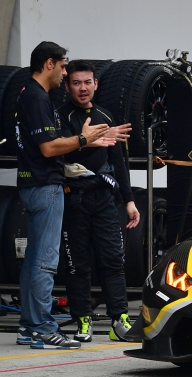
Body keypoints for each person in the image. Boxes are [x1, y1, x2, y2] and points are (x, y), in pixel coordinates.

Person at [14, 42, 113, 350]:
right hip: (45, 186)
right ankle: (43, 328)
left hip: (31, 185)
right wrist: (83, 138)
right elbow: (48, 148)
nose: (64, 72)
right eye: (62, 66)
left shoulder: (27, 94)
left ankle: (28, 325)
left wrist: (85, 140)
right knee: (45, 262)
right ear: (49, 64)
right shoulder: (37, 98)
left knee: (33, 260)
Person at [58, 60, 139, 342]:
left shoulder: (106, 116)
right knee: (77, 264)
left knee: (113, 260)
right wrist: (88, 139)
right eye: (76, 83)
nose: (83, 88)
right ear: (67, 86)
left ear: (96, 84)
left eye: (87, 82)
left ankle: (120, 320)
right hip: (73, 199)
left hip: (104, 199)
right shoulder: (60, 117)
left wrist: (129, 201)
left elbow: (118, 163)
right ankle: (83, 321)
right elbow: (58, 154)